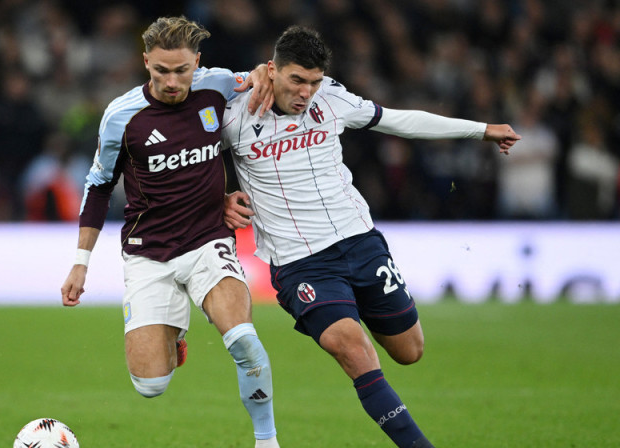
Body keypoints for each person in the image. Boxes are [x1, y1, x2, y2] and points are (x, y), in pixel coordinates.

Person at [222, 26, 521, 448]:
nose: (306, 92)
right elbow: (189, 158)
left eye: (314, 82)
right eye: (297, 80)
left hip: (361, 242)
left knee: (409, 350)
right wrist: (218, 199)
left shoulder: (332, 98)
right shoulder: (236, 113)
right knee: (354, 350)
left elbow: (399, 120)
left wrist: (481, 129)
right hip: (301, 263)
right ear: (272, 70)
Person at [59, 16, 280, 448]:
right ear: (146, 62)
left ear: (197, 62)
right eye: (161, 70)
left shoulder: (217, 85)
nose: (173, 81)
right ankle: (175, 335)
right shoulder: (122, 116)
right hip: (149, 253)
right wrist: (80, 263)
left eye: (182, 70)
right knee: (150, 384)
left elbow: (263, 77)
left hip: (207, 241)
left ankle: (266, 440)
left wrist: (261, 71)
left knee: (244, 341)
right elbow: (99, 186)